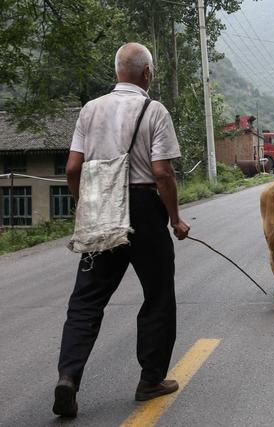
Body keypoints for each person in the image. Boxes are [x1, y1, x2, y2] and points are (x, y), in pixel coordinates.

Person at [53, 42, 190, 418]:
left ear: (117, 72)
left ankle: (68, 377)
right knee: (158, 295)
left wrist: (87, 206)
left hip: (101, 207)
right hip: (145, 209)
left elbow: (71, 168)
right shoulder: (154, 110)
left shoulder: (89, 110)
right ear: (146, 73)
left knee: (86, 300)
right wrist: (175, 218)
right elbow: (162, 172)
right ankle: (150, 380)